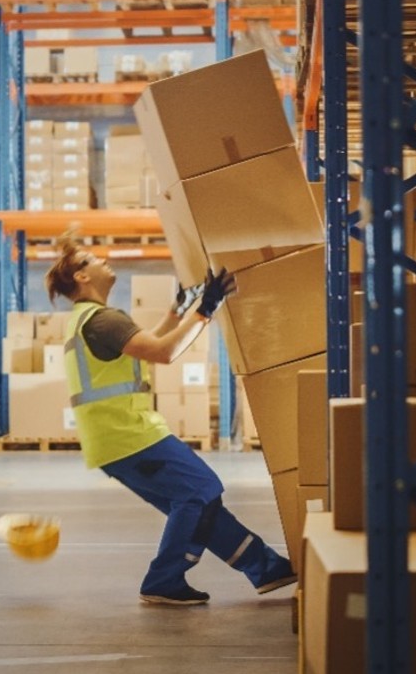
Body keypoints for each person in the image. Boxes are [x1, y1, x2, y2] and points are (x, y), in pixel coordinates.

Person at [45, 235, 297, 606]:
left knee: (199, 503)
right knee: (200, 489)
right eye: (92, 259)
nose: (103, 261)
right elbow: (164, 352)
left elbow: (147, 340)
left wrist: (180, 310)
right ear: (82, 277)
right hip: (129, 435)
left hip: (116, 439)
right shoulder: (102, 320)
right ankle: (163, 579)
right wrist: (206, 308)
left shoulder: (90, 319)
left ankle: (267, 568)